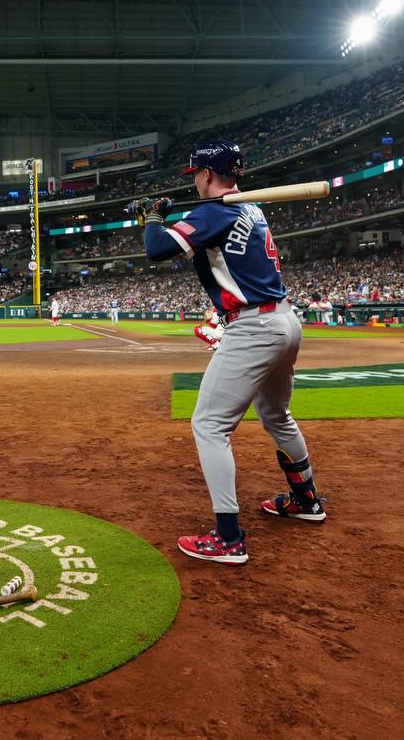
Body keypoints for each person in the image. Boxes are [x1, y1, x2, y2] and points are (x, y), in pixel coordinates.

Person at [134, 140, 325, 566]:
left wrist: (152, 218)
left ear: (206, 174)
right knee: (277, 416)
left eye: (196, 175)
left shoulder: (215, 212)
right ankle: (306, 500)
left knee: (209, 425)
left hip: (254, 327)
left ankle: (228, 538)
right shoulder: (250, 209)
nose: (195, 182)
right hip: (285, 321)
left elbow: (156, 250)